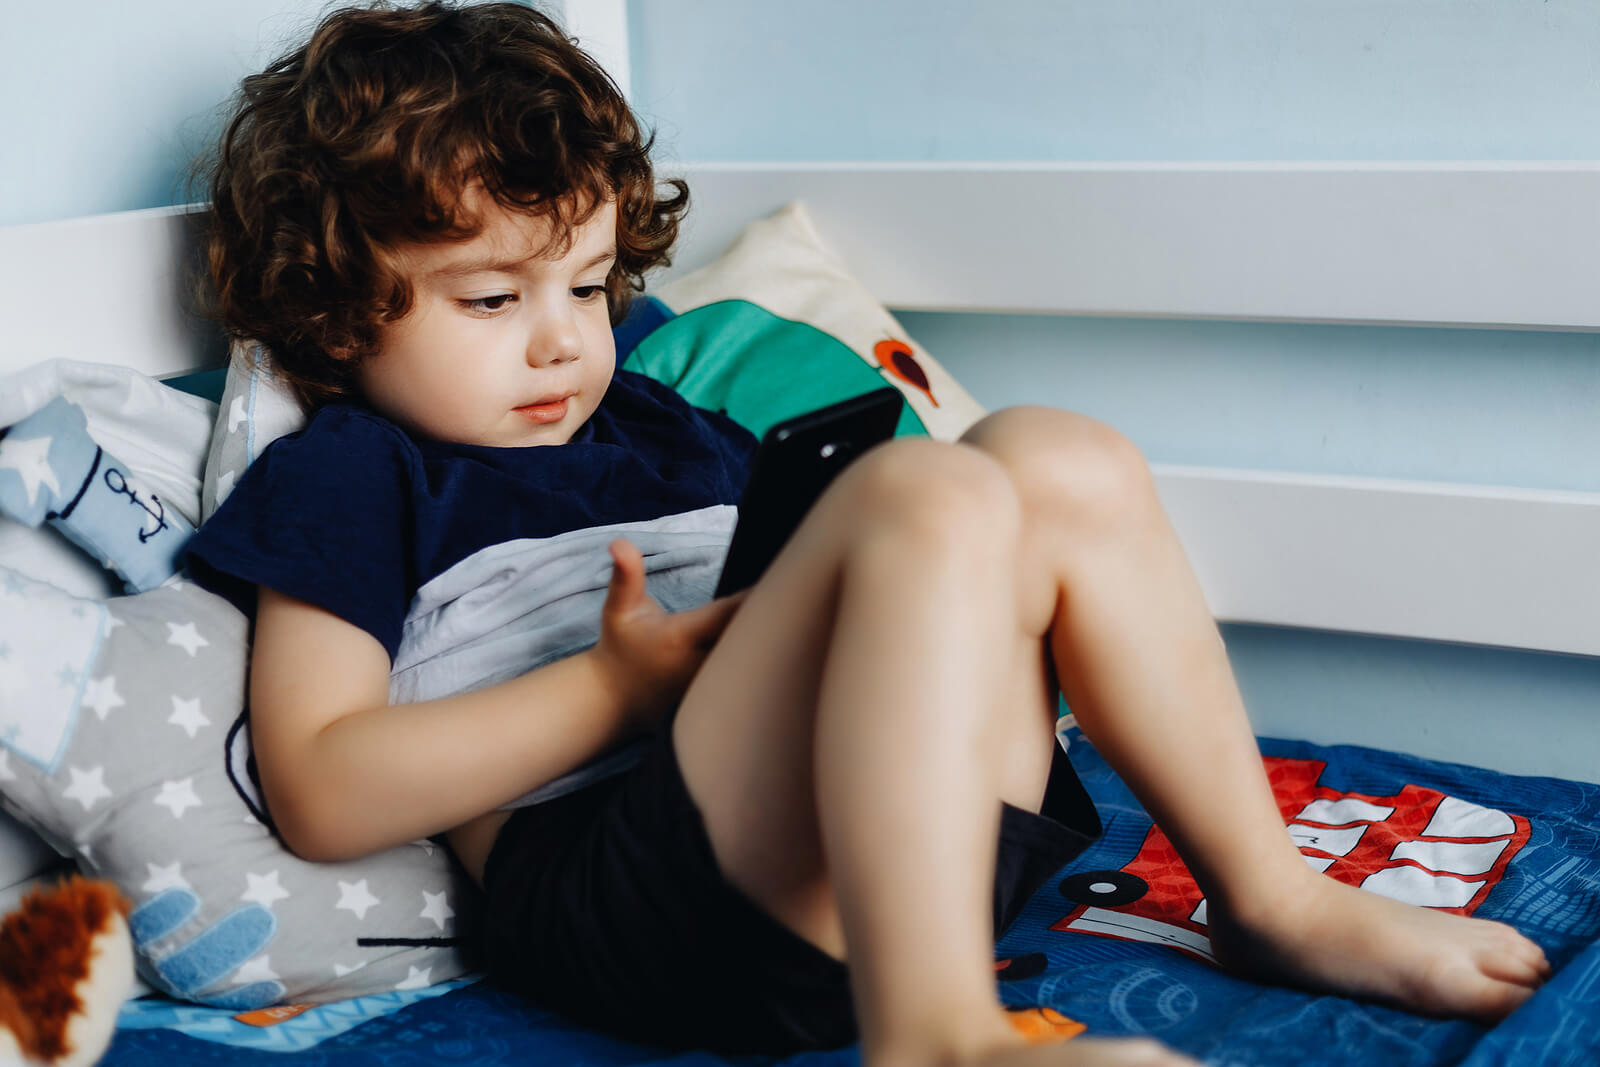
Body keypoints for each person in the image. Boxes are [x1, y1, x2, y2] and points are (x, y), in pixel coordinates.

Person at [184, 4, 1551, 1065]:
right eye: (492, 299)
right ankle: (935, 1031)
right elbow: (323, 786)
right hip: (637, 904)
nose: (562, 341)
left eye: (591, 287)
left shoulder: (661, 425)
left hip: (884, 842)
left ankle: (1269, 896)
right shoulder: (356, 473)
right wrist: (617, 687)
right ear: (339, 307)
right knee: (925, 490)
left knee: (1054, 456)